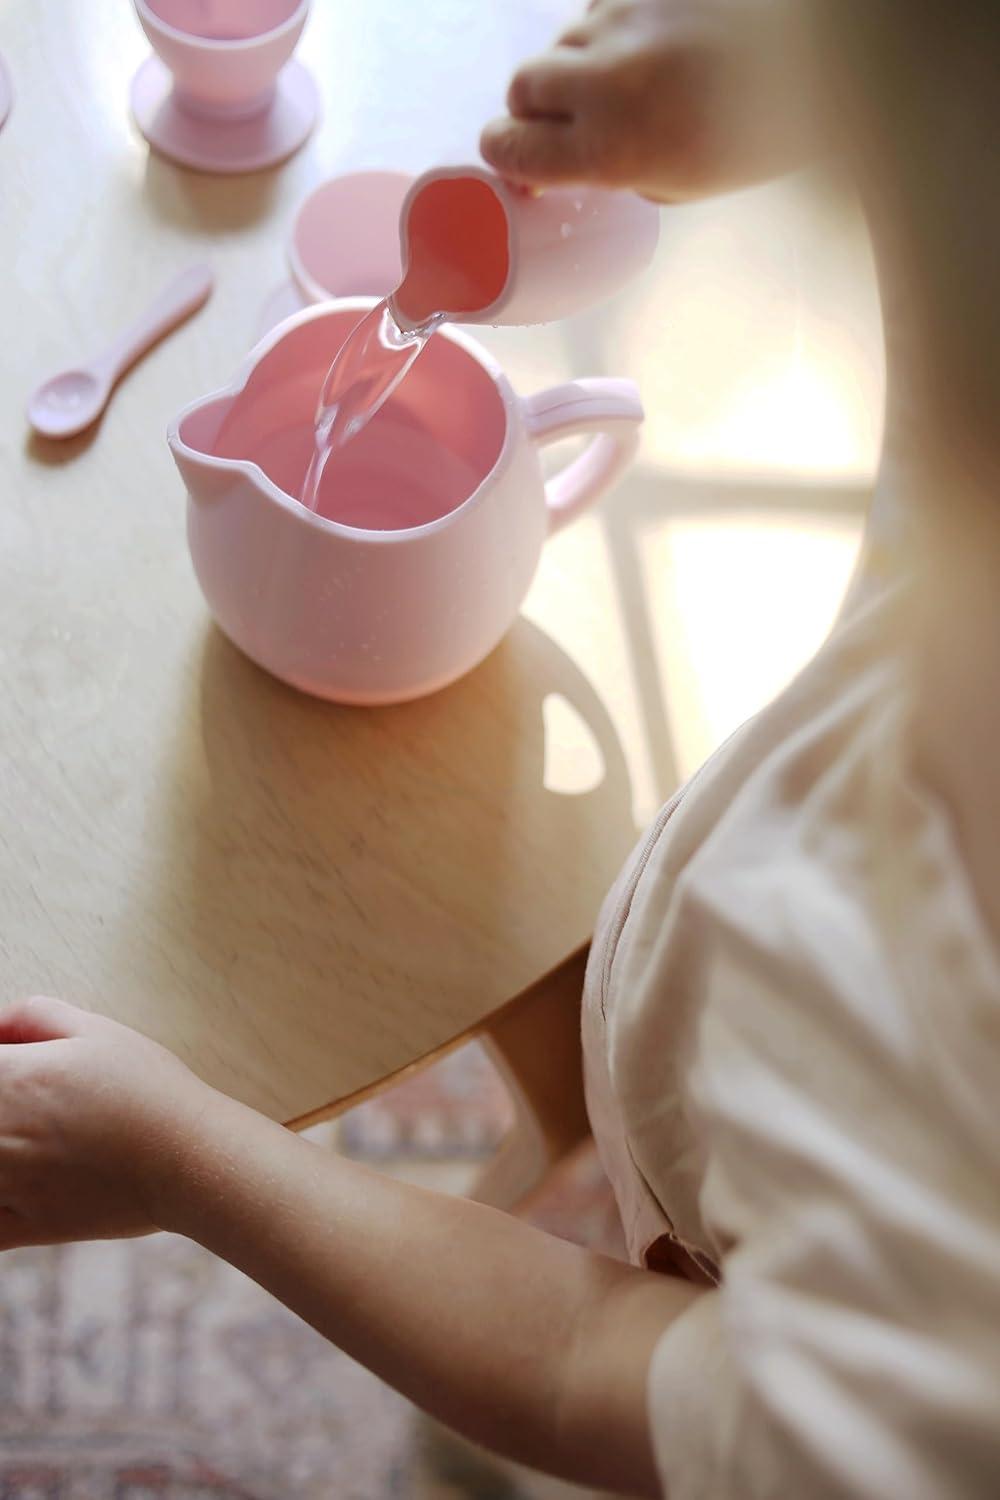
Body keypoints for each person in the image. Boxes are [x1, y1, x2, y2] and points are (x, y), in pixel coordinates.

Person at [3, 2, 999, 1494]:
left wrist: (177, 1155)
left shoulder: (916, 1345)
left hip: (698, 1253)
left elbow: (592, 1364)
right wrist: (800, 114)